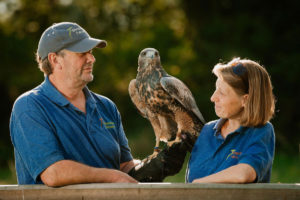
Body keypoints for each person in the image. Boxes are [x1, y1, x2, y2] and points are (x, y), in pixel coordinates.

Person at [10, 22, 191, 186]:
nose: (92, 59)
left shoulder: (106, 106)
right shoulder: (30, 106)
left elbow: (123, 167)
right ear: (55, 60)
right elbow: (53, 173)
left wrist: (154, 164)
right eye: (82, 53)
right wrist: (113, 176)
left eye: (91, 52)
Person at [186, 58, 275, 183]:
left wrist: (198, 184)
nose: (213, 98)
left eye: (221, 93)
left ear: (245, 100)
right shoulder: (207, 130)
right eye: (215, 89)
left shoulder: (261, 131)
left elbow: (244, 173)